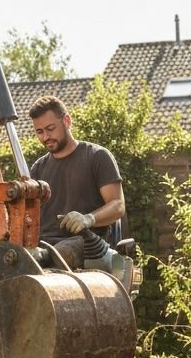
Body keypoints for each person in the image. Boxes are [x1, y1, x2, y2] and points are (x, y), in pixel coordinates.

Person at [28, 94, 126, 268]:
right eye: (39, 132)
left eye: (50, 128)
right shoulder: (38, 168)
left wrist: (89, 219)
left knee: (61, 252)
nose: (45, 137)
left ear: (66, 121)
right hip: (44, 247)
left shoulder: (97, 157)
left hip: (87, 245)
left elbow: (117, 205)